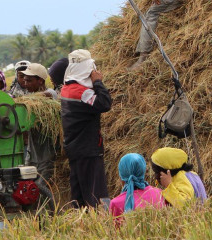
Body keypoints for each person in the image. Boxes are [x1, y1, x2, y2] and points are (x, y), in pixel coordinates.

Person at [61, 49, 113, 207]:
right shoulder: (82, 93)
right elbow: (105, 103)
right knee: (97, 194)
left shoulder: (66, 89)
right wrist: (98, 82)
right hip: (88, 150)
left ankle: (80, 224)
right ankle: (104, 223)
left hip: (74, 149)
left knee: (79, 195)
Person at [18, 63, 58, 188]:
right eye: (24, 80)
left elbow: (39, 97)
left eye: (29, 81)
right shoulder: (28, 99)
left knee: (42, 188)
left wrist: (19, 101)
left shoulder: (50, 94)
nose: (25, 84)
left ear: (40, 81)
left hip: (46, 155)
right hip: (31, 154)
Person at [109, 153, 165, 225]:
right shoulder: (160, 194)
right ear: (143, 171)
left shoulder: (116, 203)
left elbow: (115, 232)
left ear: (122, 175)